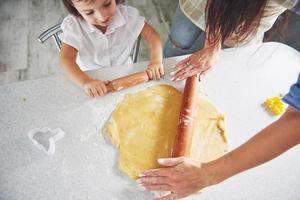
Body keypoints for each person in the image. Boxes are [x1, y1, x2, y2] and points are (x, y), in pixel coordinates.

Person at [137, 0, 300, 199]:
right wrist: (212, 44)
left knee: (230, 63)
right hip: (208, 5)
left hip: (250, 20)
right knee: (179, 45)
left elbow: (296, 121)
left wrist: (207, 174)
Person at [166, 0, 300, 82]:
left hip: (254, 15)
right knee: (180, 41)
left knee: (224, 64)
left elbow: (263, 17)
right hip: (205, 3)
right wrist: (212, 45)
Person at [60, 0, 164, 97]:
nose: (102, 16)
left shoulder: (127, 16)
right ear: (75, 8)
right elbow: (66, 59)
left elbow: (152, 34)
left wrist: (156, 60)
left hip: (126, 74)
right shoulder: (74, 27)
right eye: (89, 12)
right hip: (90, 79)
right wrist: (85, 82)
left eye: (107, 4)